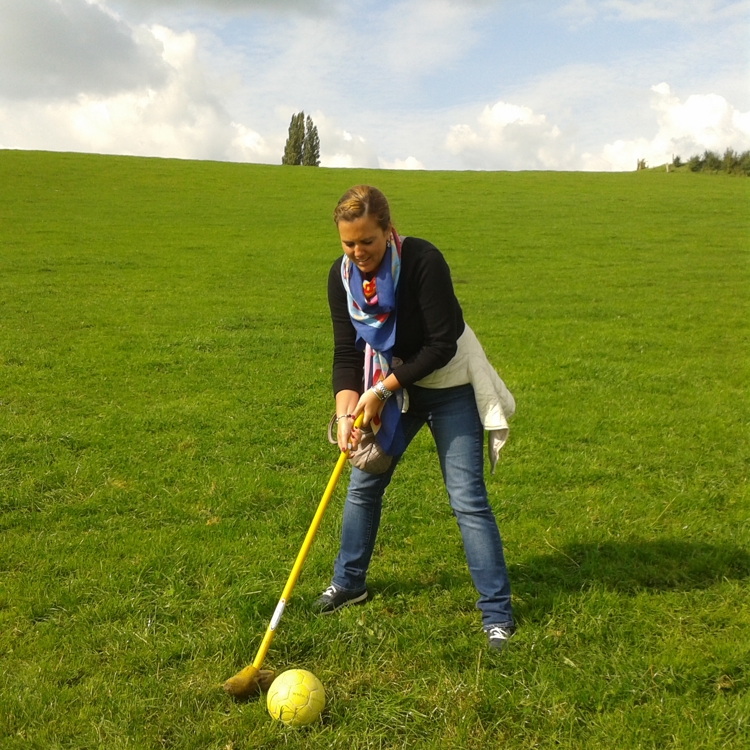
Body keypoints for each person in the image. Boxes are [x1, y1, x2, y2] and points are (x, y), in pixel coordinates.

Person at [313, 185, 516, 651]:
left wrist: (381, 390)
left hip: (449, 386)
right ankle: (348, 584)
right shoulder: (342, 278)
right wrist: (346, 412)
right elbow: (347, 352)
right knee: (364, 482)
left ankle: (497, 616)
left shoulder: (422, 261)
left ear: (388, 229)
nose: (358, 252)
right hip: (390, 388)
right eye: (349, 243)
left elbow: (441, 345)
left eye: (367, 240)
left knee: (467, 498)